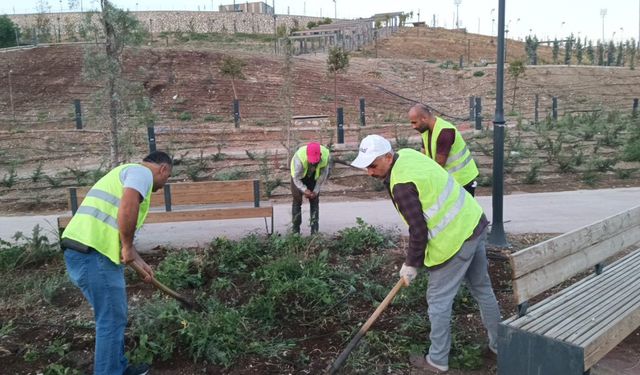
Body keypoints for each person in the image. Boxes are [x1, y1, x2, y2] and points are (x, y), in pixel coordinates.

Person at [351, 135, 500, 373]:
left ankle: (438, 360)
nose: (369, 172)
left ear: (388, 157)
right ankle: (500, 346)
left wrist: (411, 264)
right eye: (366, 166)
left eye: (373, 165)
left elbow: (418, 230)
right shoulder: (408, 154)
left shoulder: (400, 185)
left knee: (438, 301)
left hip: (454, 243)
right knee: (482, 289)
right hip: (474, 223)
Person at [60, 151, 173, 375]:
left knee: (113, 315)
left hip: (85, 252)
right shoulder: (141, 174)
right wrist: (128, 247)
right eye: (167, 178)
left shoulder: (125, 172)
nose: (163, 184)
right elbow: (128, 207)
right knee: (111, 319)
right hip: (92, 255)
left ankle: (116, 368)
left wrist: (139, 260)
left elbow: (118, 231)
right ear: (163, 169)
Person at [408, 103, 480, 196]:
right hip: (449, 180)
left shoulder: (445, 132)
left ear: (424, 118)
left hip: (462, 180)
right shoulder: (425, 130)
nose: (413, 126)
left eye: (414, 122)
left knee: (463, 210)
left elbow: (439, 164)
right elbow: (423, 157)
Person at [290, 142, 331, 234]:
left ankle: (314, 232)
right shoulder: (299, 159)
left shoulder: (326, 157)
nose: (313, 162)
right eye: (311, 160)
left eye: (315, 161)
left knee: (314, 200)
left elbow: (322, 176)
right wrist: (304, 190)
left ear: (320, 155)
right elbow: (295, 178)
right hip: (298, 176)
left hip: (313, 176)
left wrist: (315, 191)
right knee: (297, 201)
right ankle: (295, 232)